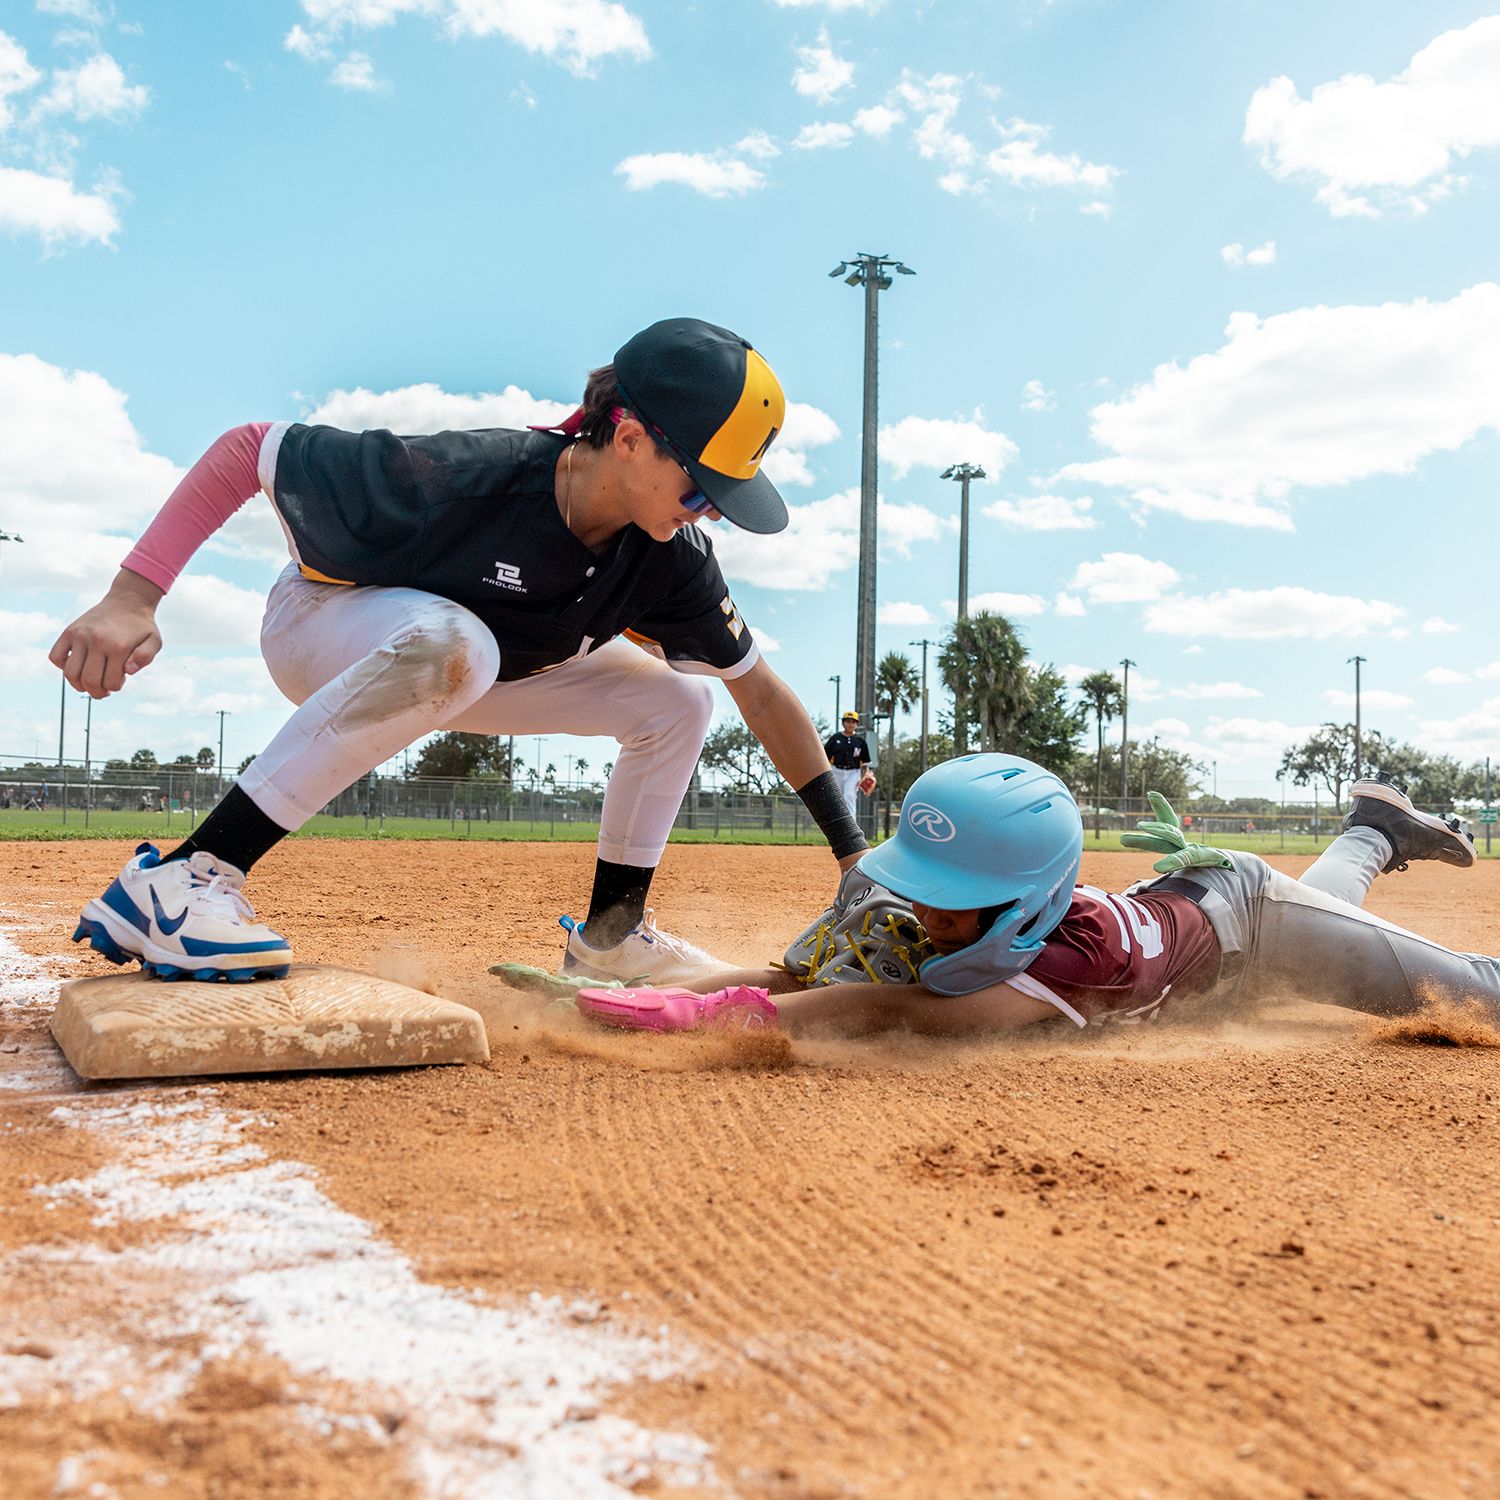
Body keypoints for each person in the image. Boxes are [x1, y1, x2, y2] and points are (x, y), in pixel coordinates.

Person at [52, 318, 871, 983]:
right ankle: (186, 879)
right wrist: (133, 597)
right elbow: (250, 449)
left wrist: (854, 858)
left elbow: (759, 695)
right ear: (627, 440)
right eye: (700, 487)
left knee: (677, 699)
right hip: (322, 623)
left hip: (472, 665)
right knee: (460, 644)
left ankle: (613, 936)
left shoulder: (667, 559)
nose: (709, 513)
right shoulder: (458, 476)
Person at [574, 756, 1492, 1039]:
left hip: (1253, 922)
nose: (924, 914)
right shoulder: (1012, 917)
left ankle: (1373, 829)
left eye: (952, 899)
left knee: (1471, 992)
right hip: (1201, 932)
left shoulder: (1061, 959)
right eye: (923, 888)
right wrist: (662, 988)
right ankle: (1374, 826)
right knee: (1341, 912)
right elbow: (790, 970)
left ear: (1022, 901)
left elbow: (886, 1009)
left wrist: (724, 1017)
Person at [823, 711, 871, 813]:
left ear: (857, 724)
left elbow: (865, 762)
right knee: (836, 798)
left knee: (849, 796)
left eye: (853, 722)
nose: (850, 724)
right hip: (837, 771)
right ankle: (837, 824)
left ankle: (851, 825)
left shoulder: (860, 741)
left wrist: (865, 776)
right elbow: (825, 756)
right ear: (843, 723)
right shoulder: (836, 738)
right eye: (848, 721)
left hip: (853, 773)